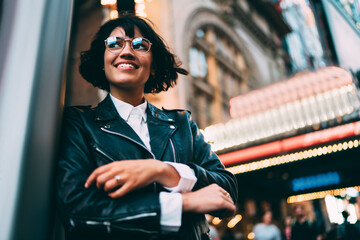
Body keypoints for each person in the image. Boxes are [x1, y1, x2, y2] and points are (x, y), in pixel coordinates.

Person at [56, 13, 238, 240]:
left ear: (153, 66)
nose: (127, 51)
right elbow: (78, 210)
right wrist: (183, 202)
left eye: (140, 45)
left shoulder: (182, 124)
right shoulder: (79, 123)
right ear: (101, 63)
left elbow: (227, 192)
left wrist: (163, 172)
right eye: (114, 44)